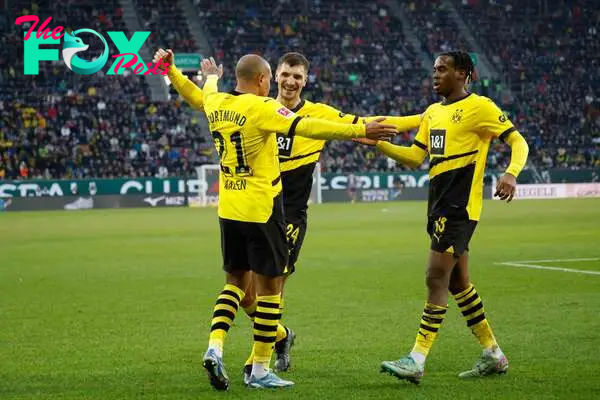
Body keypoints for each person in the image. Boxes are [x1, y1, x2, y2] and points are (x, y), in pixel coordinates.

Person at [160, 51, 398, 390]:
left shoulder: (217, 102)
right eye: (273, 77)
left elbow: (199, 93)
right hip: (262, 209)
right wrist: (360, 128)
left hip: (228, 208)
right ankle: (260, 369)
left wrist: (175, 70)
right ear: (262, 80)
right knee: (270, 291)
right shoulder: (264, 108)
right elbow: (309, 125)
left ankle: (216, 346)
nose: (277, 83)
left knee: (235, 285)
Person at [356, 51, 529, 384]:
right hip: (437, 207)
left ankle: (416, 359)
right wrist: (377, 144)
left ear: (463, 73)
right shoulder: (433, 113)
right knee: (457, 282)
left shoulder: (481, 107)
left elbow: (517, 141)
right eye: (433, 69)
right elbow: (413, 158)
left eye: (442, 69)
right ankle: (493, 353)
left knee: (435, 277)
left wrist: (511, 173)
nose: (435, 74)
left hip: (460, 209)